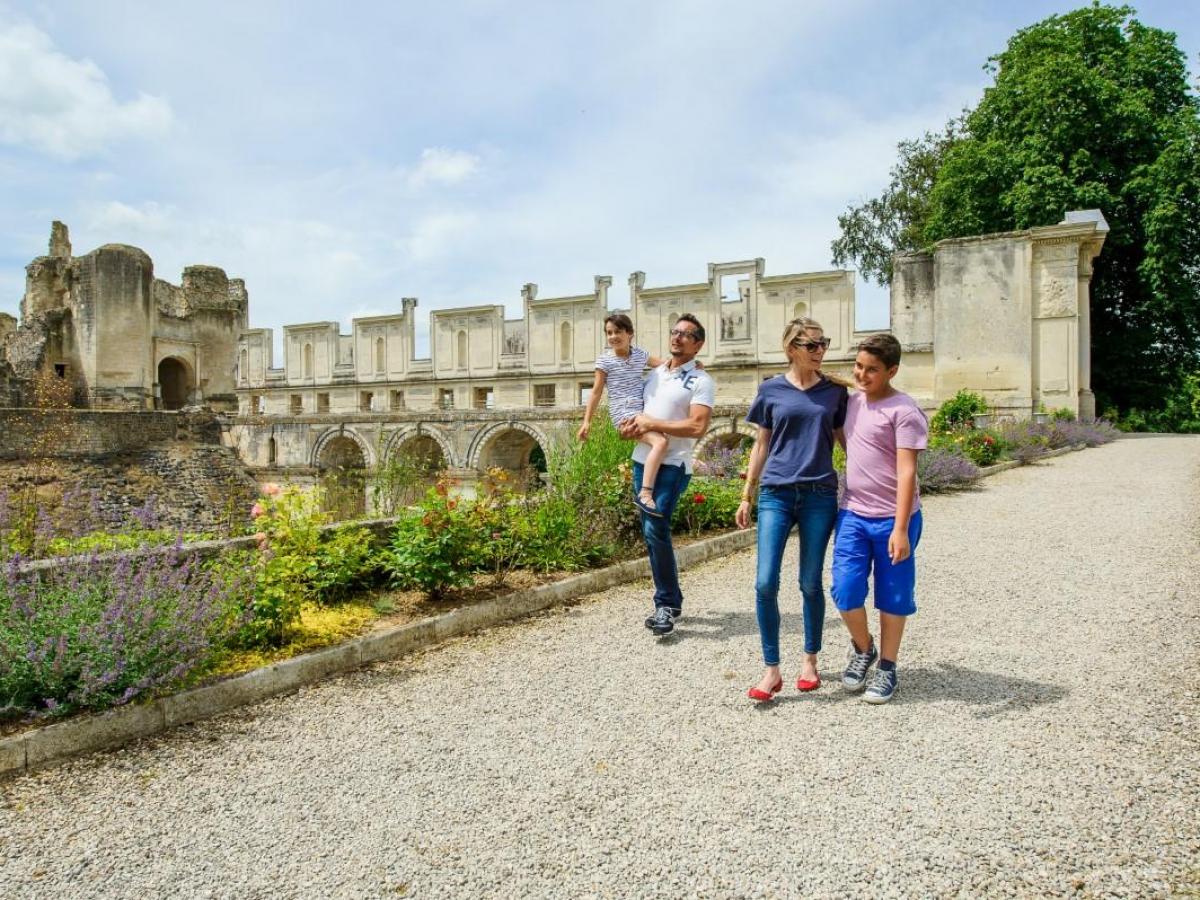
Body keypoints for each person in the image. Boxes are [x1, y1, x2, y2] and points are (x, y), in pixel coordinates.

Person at [736, 318, 848, 702]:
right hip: (776, 493)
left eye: (823, 343)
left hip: (819, 492)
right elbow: (761, 444)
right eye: (812, 345)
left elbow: (846, 442)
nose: (820, 351)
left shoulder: (835, 392)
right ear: (791, 348)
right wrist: (746, 494)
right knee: (765, 582)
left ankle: (810, 661)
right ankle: (771, 671)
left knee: (810, 582)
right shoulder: (770, 389)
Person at [832, 332, 928, 704]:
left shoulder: (904, 410)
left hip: (894, 518)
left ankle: (887, 667)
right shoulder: (852, 404)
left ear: (892, 371)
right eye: (858, 366)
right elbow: (849, 443)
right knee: (844, 590)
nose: (862, 374)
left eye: (872, 369)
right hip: (853, 513)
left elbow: (907, 472)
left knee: (893, 596)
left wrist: (901, 528)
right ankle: (863, 647)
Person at [619, 313, 715, 637]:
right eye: (674, 332)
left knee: (656, 526)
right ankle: (670, 602)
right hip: (642, 461)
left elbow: (697, 426)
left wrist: (652, 425)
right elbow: (639, 418)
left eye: (686, 334)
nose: (677, 338)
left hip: (673, 464)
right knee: (651, 530)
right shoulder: (655, 375)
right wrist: (632, 428)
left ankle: (666, 604)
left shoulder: (702, 381)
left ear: (698, 344)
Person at [578, 314, 671, 516]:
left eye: (618, 332)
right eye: (609, 333)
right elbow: (596, 391)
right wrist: (587, 422)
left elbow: (665, 366)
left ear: (630, 334)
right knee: (661, 443)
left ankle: (679, 468)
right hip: (624, 413)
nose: (613, 336)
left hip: (642, 410)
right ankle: (645, 495)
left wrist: (691, 365)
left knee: (666, 436)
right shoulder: (604, 361)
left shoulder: (639, 355)